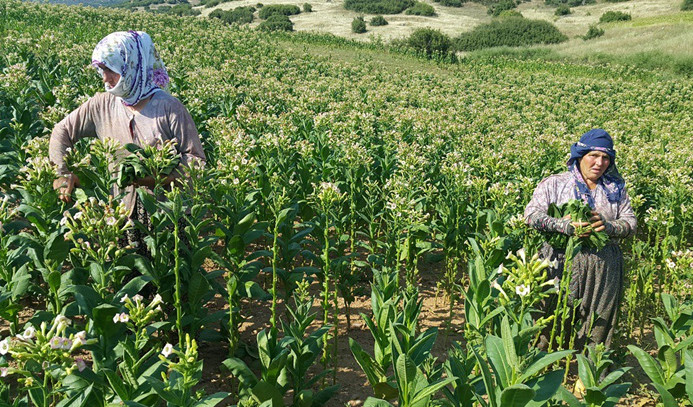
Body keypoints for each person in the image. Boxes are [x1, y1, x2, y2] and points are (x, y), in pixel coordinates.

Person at [48, 31, 205, 250]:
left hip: (168, 215)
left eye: (110, 70)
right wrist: (61, 173)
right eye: (102, 70)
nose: (105, 79)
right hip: (122, 215)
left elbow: (196, 160)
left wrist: (158, 178)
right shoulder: (101, 104)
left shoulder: (170, 108)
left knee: (170, 277)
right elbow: (61, 131)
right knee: (132, 278)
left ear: (131, 65)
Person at [524, 129, 636, 350]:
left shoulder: (615, 189)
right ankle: (541, 372)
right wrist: (562, 225)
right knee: (550, 318)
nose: (599, 163)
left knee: (597, 321)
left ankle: (589, 377)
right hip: (559, 261)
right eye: (593, 155)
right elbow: (531, 215)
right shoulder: (555, 183)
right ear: (580, 156)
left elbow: (631, 223)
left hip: (604, 265)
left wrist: (608, 226)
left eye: (605, 158)